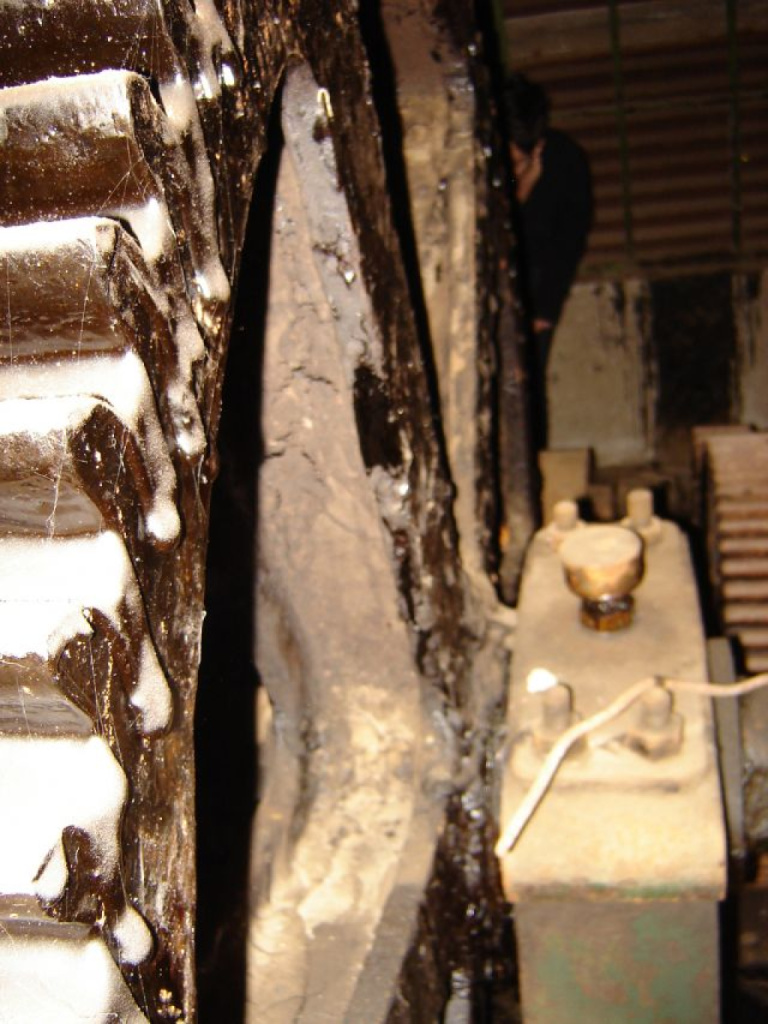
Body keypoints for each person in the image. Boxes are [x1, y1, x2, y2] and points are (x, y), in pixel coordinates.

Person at [504, 74, 592, 448]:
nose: (512, 173)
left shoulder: (566, 162)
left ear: (538, 147)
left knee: (528, 389)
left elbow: (568, 243)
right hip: (492, 296)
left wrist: (545, 310)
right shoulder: (479, 160)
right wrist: (519, 193)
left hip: (536, 294)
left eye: (520, 163)